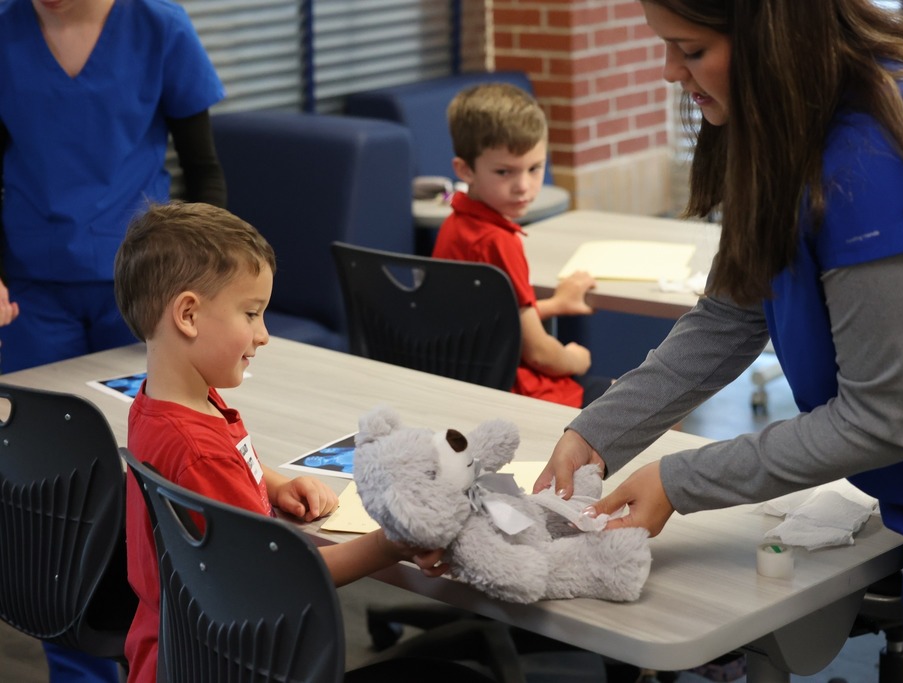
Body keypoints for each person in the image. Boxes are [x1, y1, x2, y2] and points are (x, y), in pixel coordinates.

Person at [533, 2, 903, 681]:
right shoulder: (797, 119)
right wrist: (597, 433)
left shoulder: (878, 157)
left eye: (691, 49)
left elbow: (881, 419)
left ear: (772, 38)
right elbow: (733, 311)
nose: (670, 70)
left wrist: (679, 480)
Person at [114, 202, 499, 683]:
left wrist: (272, 485)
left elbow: (212, 473)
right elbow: (281, 579)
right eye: (251, 314)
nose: (264, 335)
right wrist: (388, 545)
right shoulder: (199, 451)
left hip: (176, 649)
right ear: (188, 314)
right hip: (224, 661)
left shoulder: (164, 404)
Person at [0, 0, 227, 376]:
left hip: (145, 280)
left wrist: (205, 276)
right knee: (42, 424)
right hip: (31, 289)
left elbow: (203, 171)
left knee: (138, 424)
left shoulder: (161, 26)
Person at [432, 82, 611, 408]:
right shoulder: (498, 241)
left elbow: (493, 320)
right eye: (504, 172)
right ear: (465, 169)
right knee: (659, 403)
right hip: (523, 396)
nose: (524, 187)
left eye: (534, 168)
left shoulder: (454, 225)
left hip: (476, 389)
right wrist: (575, 359)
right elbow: (541, 353)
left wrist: (556, 304)